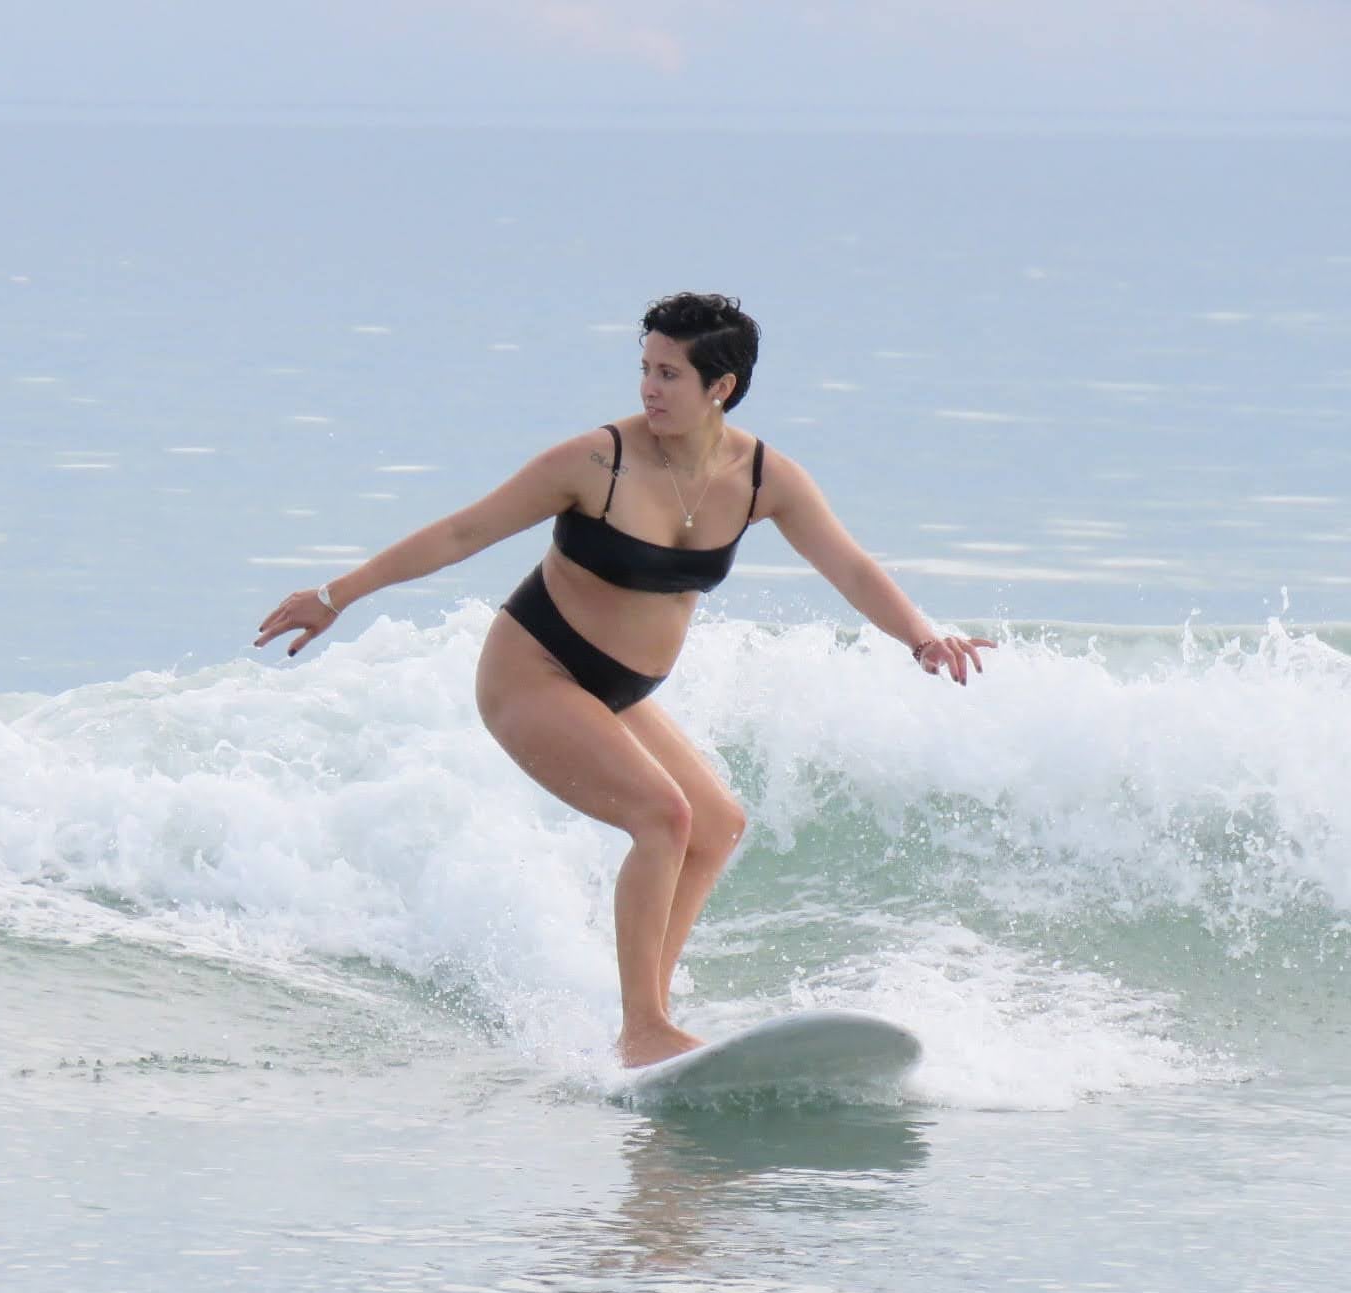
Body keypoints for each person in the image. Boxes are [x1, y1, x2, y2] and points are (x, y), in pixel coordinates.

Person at [255, 293, 993, 1069]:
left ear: (722, 386)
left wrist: (920, 635)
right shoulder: (595, 462)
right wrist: (336, 595)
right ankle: (642, 1028)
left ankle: (650, 1016)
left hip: (621, 691)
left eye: (670, 373)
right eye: (645, 368)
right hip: (533, 670)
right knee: (663, 817)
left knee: (717, 826)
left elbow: (847, 563)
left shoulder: (762, 477)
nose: (649, 387)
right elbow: (463, 531)